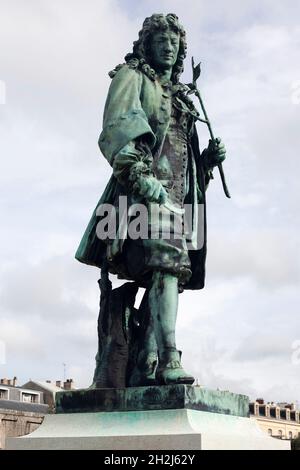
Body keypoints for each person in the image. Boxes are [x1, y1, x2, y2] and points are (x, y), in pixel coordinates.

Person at [76, 13, 226, 386]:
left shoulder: (182, 98)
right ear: (146, 44)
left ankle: (149, 357)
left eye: (175, 42)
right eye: (161, 39)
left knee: (172, 274)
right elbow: (118, 130)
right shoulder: (131, 77)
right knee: (167, 265)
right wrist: (144, 182)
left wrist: (205, 162)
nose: (170, 47)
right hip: (142, 195)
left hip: (180, 199)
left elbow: (180, 156)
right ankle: (168, 359)